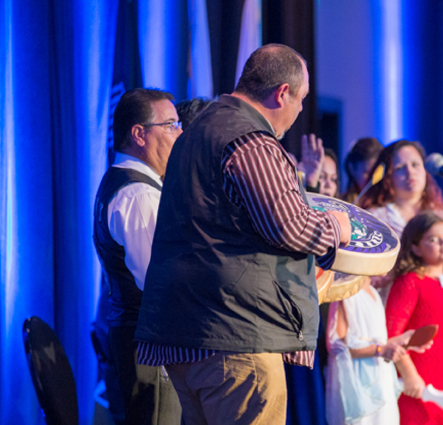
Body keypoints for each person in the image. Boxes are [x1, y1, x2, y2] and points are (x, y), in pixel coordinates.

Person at [134, 44, 351, 425]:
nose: (300, 110)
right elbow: (290, 226)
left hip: (189, 335)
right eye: (300, 99)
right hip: (235, 338)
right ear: (282, 92)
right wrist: (336, 226)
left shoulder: (193, 133)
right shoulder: (249, 139)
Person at [92, 88, 183, 424]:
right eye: (171, 125)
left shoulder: (129, 184)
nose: (180, 134)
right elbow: (160, 283)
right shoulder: (138, 195)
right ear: (139, 134)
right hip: (150, 348)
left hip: (141, 342)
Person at [358, 140, 443, 304]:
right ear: (388, 177)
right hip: (395, 315)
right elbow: (361, 277)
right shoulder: (375, 219)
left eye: (415, 164)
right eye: (400, 168)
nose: (410, 172)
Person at [386, 212, 443, 425]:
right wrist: (409, 374)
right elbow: (393, 334)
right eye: (433, 239)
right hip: (419, 384)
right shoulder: (410, 282)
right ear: (415, 247)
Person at [325, 274, 433, 425]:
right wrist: (380, 350)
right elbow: (337, 345)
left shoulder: (374, 293)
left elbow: (377, 343)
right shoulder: (346, 293)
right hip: (358, 384)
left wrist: (403, 340)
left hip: (382, 381)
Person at [342, 137, 383, 202]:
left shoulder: (390, 205)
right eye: (368, 173)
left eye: (379, 173)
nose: (374, 179)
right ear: (352, 168)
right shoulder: (341, 205)